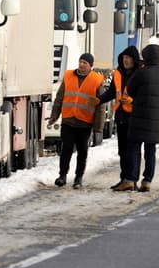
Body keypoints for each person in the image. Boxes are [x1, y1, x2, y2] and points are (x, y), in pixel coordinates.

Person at [47, 52, 103, 189]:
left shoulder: (96, 80)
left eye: (85, 63)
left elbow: (100, 105)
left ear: (90, 66)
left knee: (82, 151)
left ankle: (78, 178)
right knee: (66, 149)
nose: (82, 65)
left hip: (85, 122)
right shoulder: (68, 76)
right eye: (81, 62)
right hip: (68, 120)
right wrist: (54, 116)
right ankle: (62, 176)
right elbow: (59, 98)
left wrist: (98, 128)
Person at [124, 43, 159, 192]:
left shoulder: (142, 72)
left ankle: (131, 179)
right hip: (156, 119)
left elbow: (129, 89)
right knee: (151, 149)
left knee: (134, 147)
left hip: (139, 116)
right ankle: (147, 180)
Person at [98, 45, 141, 191]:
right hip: (121, 117)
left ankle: (132, 179)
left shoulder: (139, 74)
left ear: (134, 60)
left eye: (128, 58)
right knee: (122, 150)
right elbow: (111, 92)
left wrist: (133, 102)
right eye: (124, 58)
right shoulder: (118, 73)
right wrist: (98, 100)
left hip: (134, 117)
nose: (126, 61)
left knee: (132, 150)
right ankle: (124, 178)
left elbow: (144, 96)